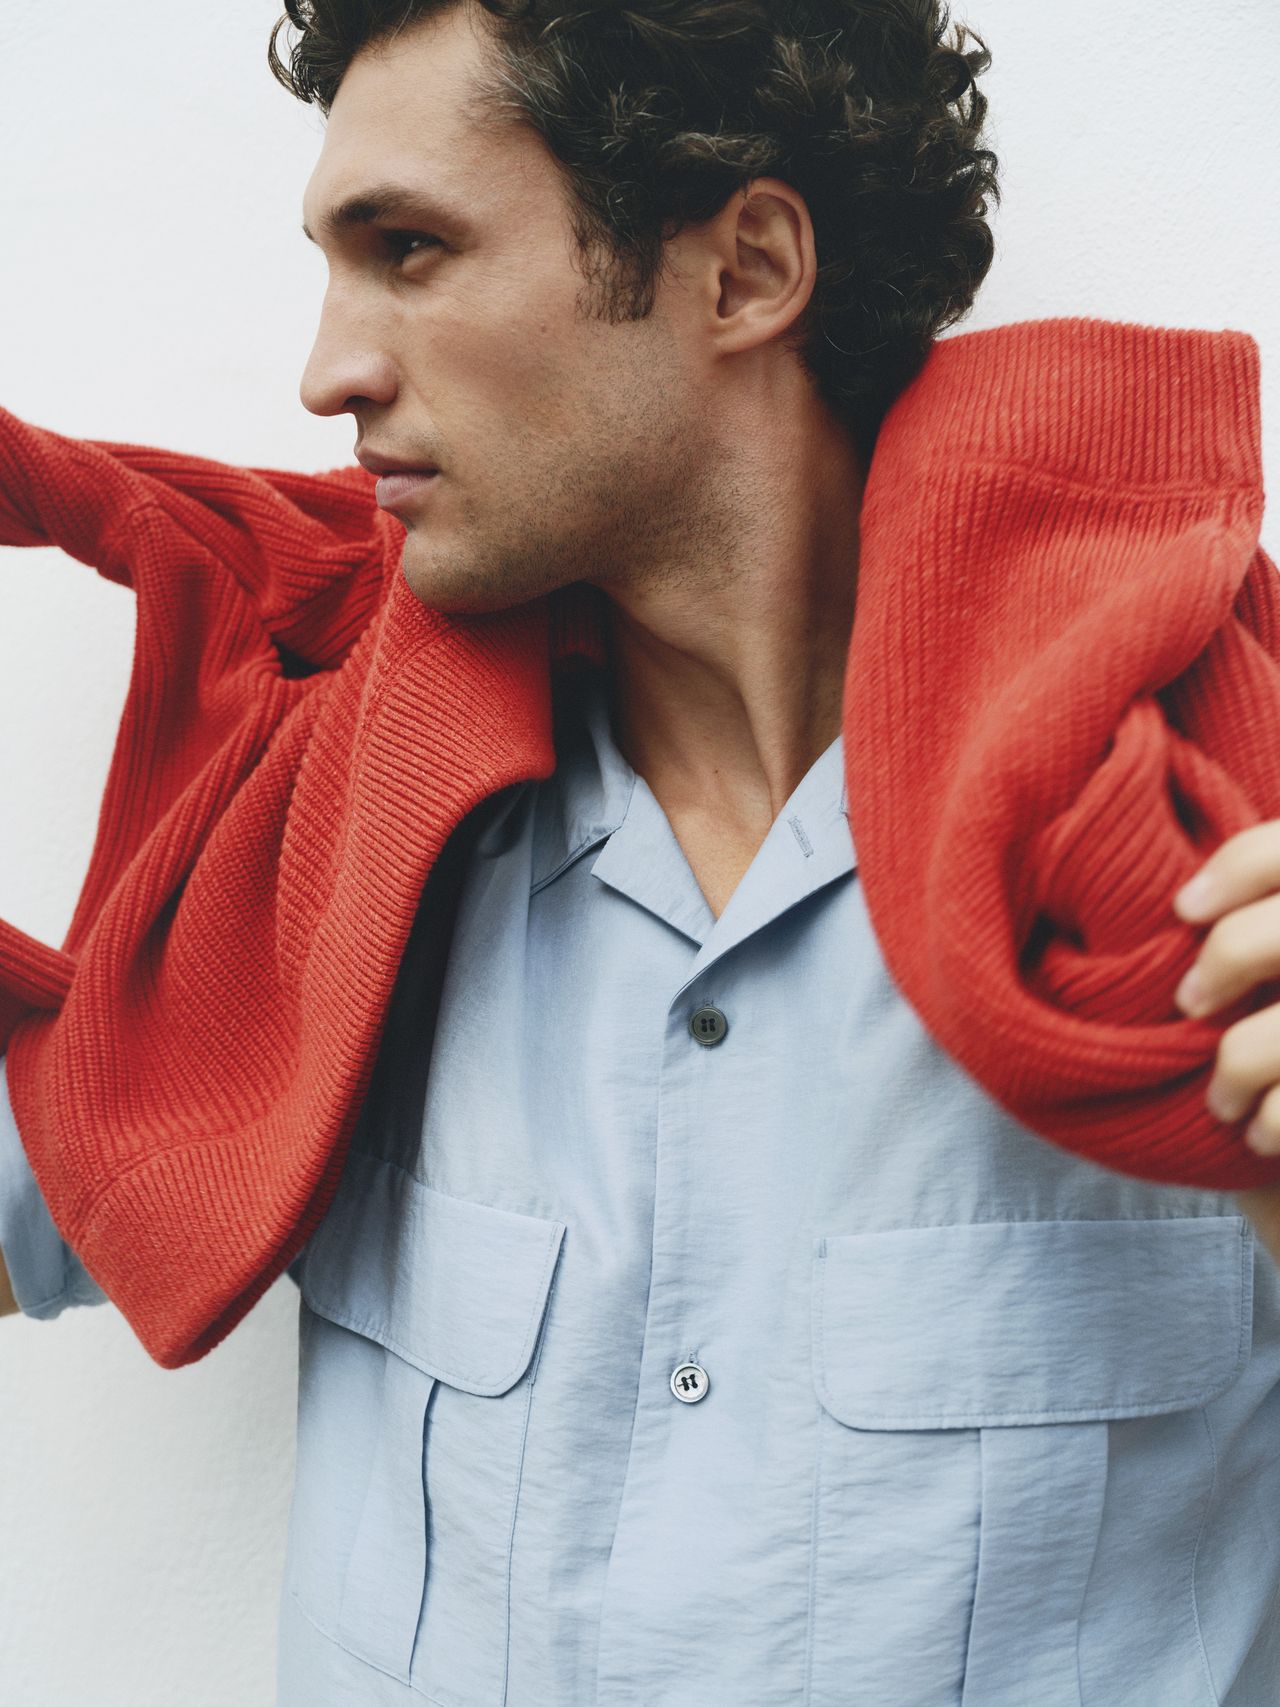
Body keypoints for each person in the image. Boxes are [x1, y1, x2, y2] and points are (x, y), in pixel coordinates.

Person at [3, 2, 1279, 1701]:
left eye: (411, 250)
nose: (330, 371)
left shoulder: (1214, 839)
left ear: (744, 270)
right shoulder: (318, 834)